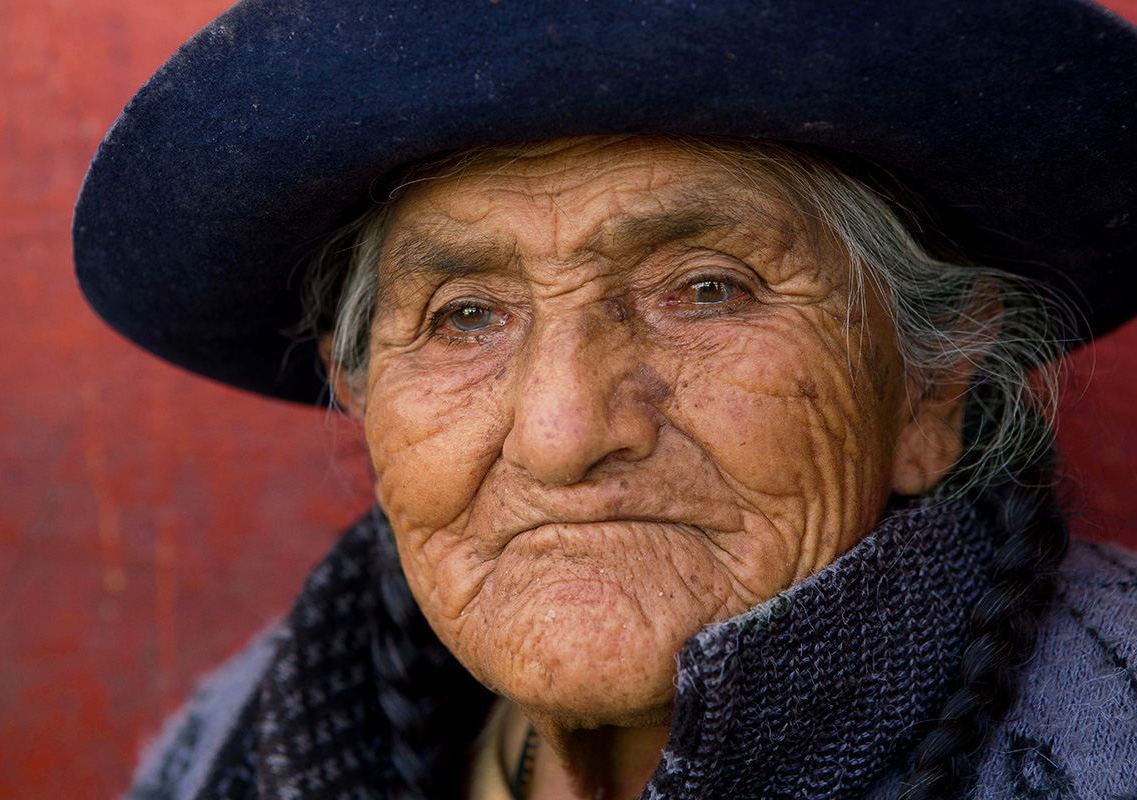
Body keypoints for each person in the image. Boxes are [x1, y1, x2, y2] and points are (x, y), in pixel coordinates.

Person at [73, 1, 1137, 798]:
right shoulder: (235, 742)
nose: (563, 431)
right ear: (361, 394)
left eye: (707, 288)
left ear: (932, 383)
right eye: (464, 316)